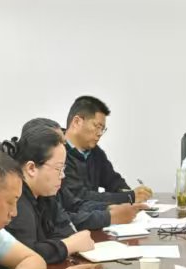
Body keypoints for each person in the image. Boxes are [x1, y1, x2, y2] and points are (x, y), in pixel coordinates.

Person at [6, 120, 95, 265]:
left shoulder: (45, 194)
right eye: (58, 169)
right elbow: (26, 255)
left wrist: (62, 244)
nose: (62, 176)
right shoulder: (16, 201)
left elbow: (65, 231)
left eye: (63, 169)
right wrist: (68, 245)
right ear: (31, 168)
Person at [62, 95, 151, 231]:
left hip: (95, 222)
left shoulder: (94, 152)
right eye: (97, 126)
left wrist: (128, 193)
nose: (100, 134)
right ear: (77, 122)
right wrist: (128, 197)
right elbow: (80, 197)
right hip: (74, 227)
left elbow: (113, 180)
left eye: (102, 129)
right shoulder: (57, 153)